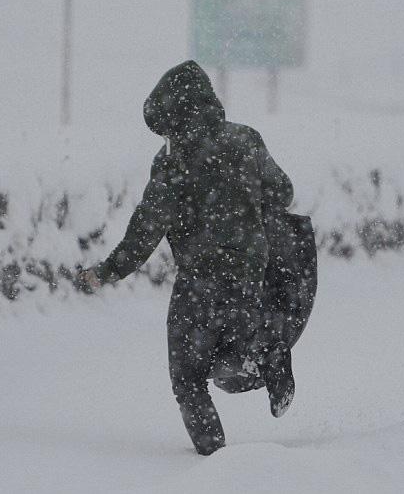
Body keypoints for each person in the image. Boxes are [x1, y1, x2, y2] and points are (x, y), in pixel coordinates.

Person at [78, 60, 296, 456]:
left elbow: (146, 228)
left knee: (188, 376)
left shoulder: (172, 161)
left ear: (173, 114)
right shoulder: (246, 139)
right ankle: (268, 352)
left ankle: (214, 460)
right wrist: (245, 203)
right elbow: (283, 192)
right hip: (250, 274)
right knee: (232, 352)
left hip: (201, 280)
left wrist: (107, 271)